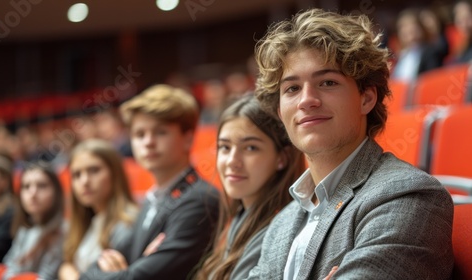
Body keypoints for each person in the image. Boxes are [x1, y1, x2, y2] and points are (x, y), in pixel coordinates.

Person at [247, 8, 454, 279]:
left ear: (366, 99)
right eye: (292, 88)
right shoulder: (281, 223)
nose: (306, 100)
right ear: (279, 111)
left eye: (328, 82)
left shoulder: (408, 195)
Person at [80, 84, 220, 280]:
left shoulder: (200, 200)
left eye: (160, 132)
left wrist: (127, 270)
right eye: (139, 134)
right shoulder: (151, 200)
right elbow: (91, 269)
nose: (148, 142)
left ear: (188, 139)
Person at [196, 94, 305, 280]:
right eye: (225, 147)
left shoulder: (278, 232)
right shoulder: (240, 218)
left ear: (282, 158)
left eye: (250, 148)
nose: (232, 161)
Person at [58, 139, 138, 280]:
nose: (85, 181)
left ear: (115, 174)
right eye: (77, 175)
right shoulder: (83, 224)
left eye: (94, 170)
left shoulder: (129, 223)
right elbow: (67, 265)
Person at [2, 162, 65, 280]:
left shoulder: (63, 230)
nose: (33, 193)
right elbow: (9, 266)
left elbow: (46, 277)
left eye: (41, 186)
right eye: (26, 186)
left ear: (56, 191)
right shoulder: (25, 229)